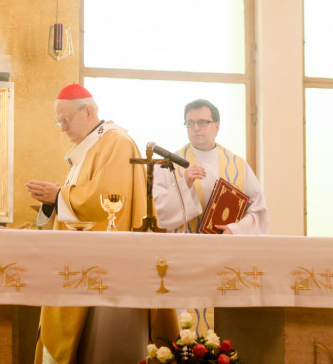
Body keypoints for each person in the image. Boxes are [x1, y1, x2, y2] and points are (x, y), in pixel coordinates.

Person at [26, 84, 175, 364]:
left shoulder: (115, 142)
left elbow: (109, 200)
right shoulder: (89, 147)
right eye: (59, 122)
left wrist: (59, 196)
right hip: (83, 264)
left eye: (66, 120)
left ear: (88, 112)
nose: (62, 128)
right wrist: (54, 200)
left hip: (109, 272)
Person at [152, 98, 269, 334]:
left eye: (203, 122)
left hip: (224, 258)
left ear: (216, 126)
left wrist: (234, 230)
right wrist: (185, 183)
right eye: (190, 123)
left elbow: (258, 211)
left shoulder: (238, 165)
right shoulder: (169, 164)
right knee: (184, 330)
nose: (196, 128)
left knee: (224, 330)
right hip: (185, 260)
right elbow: (158, 213)